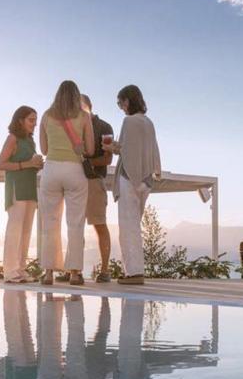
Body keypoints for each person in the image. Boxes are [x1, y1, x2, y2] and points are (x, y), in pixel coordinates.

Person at [103, 85, 161, 285]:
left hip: (130, 178)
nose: (120, 107)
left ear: (128, 100)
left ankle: (134, 273)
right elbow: (151, 149)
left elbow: (126, 151)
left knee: (128, 227)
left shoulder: (129, 121)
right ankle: (134, 271)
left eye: (120, 102)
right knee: (135, 225)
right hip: (146, 179)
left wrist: (111, 148)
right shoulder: (149, 122)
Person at [38, 81, 95, 286]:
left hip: (51, 170)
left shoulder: (46, 116)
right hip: (74, 170)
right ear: (76, 96)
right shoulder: (84, 116)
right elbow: (89, 149)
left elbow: (44, 149)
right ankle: (74, 273)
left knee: (50, 222)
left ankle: (48, 273)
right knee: (75, 222)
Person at [0, 106, 43, 283]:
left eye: (35, 120)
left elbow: (30, 164)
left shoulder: (31, 142)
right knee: (15, 229)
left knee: (26, 231)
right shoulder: (12, 138)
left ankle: (21, 269)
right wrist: (27, 164)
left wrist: (38, 164)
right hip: (16, 188)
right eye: (31, 120)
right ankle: (10, 271)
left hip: (30, 189)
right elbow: (1, 164)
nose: (35, 124)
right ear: (20, 121)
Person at [80, 94, 114, 283]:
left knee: (99, 224)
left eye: (81, 106)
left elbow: (108, 159)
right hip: (74, 183)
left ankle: (105, 270)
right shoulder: (73, 127)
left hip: (94, 180)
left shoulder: (105, 128)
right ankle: (74, 270)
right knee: (75, 227)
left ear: (90, 106)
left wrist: (86, 162)